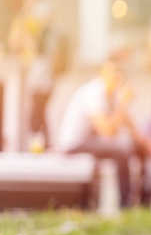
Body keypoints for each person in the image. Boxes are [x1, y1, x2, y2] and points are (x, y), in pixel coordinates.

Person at [55, 61, 140, 208]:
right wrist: (122, 104)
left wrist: (143, 141)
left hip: (88, 141)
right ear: (102, 74)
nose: (116, 80)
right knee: (122, 148)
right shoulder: (94, 93)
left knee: (130, 144)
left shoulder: (109, 96)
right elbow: (107, 131)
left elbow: (128, 126)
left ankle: (142, 197)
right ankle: (126, 204)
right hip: (74, 143)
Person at [7, 0, 68, 149]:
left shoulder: (50, 33)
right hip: (42, 79)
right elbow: (16, 41)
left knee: (37, 113)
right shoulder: (42, 31)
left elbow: (43, 57)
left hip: (43, 80)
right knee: (40, 113)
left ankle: (38, 144)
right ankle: (45, 143)